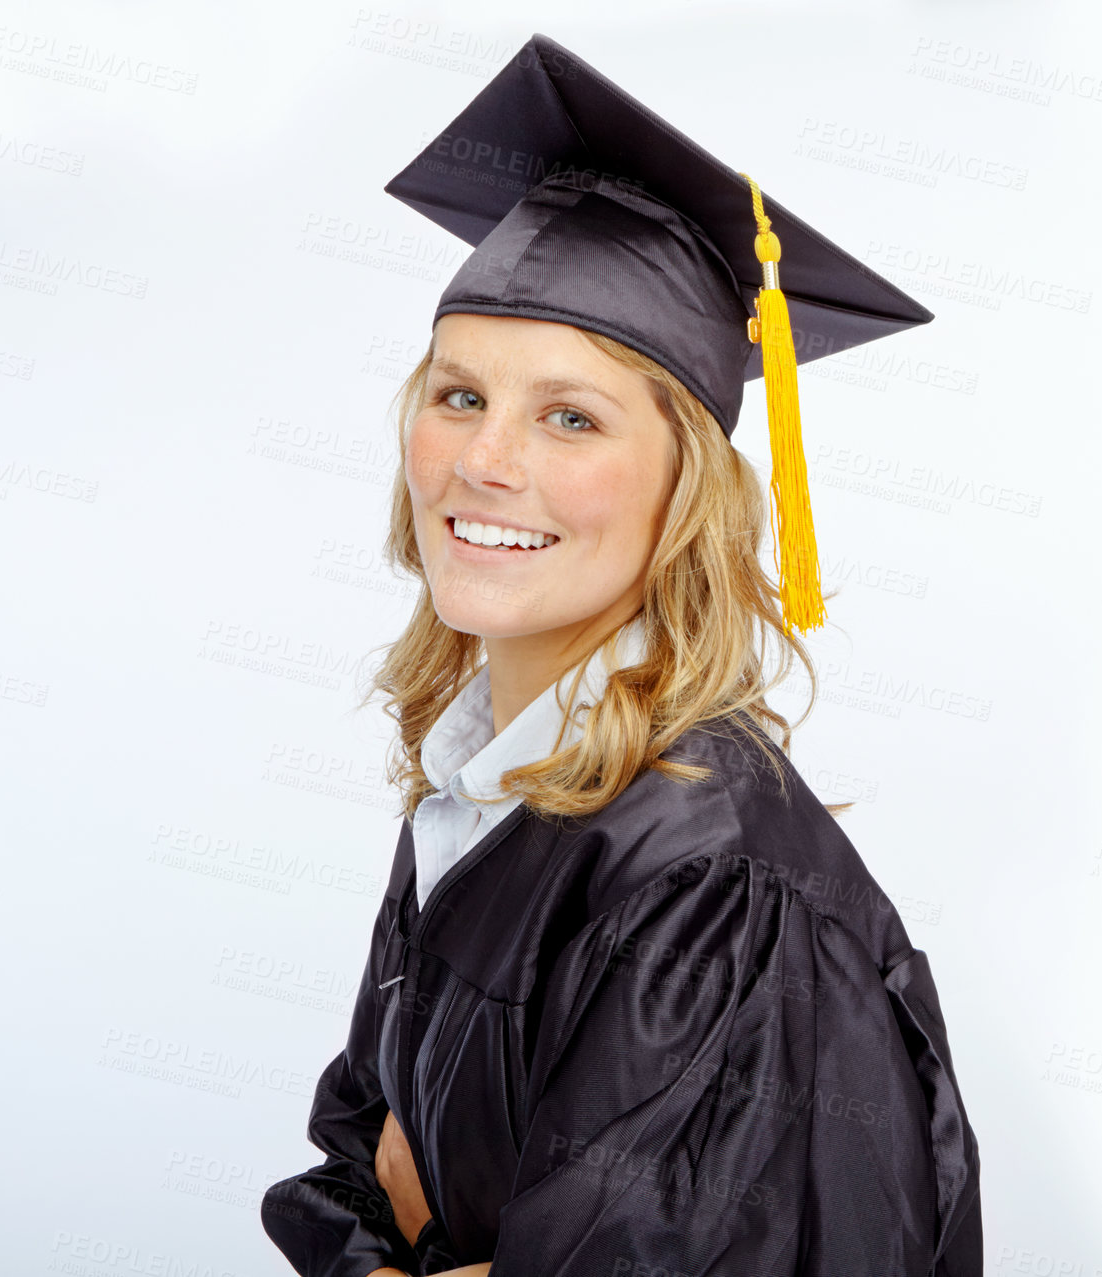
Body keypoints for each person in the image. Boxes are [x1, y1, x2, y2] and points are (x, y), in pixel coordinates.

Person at [260, 32, 982, 1277]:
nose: (484, 462)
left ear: (683, 489)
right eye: (458, 394)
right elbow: (345, 1160)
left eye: (571, 417)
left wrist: (421, 1216)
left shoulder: (710, 882)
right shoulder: (479, 784)